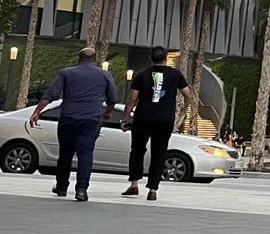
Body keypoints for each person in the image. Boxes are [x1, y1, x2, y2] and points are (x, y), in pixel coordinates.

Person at [30, 47, 117, 202]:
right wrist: (107, 112)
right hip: (91, 119)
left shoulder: (66, 73)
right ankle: (81, 190)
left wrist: (37, 112)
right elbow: (112, 98)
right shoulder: (105, 75)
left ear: (79, 58)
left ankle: (62, 186)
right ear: (95, 59)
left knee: (65, 153)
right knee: (85, 153)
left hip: (68, 117)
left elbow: (50, 94)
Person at [121, 46, 192, 201]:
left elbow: (132, 99)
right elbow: (188, 94)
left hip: (143, 118)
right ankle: (153, 189)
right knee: (159, 153)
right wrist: (183, 111)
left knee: (137, 151)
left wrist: (125, 118)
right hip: (165, 119)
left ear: (150, 58)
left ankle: (134, 184)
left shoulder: (141, 75)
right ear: (166, 58)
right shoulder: (175, 75)